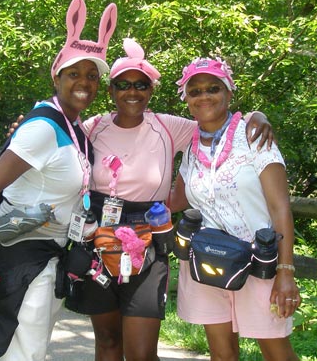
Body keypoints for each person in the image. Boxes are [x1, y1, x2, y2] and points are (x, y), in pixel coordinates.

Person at [63, 39, 275, 361]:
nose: (132, 91)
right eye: (123, 84)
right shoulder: (94, 128)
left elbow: (218, 121)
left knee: (141, 352)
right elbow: (54, 139)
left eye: (141, 84)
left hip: (148, 241)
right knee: (107, 340)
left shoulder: (168, 126)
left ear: (150, 90)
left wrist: (257, 116)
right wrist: (21, 127)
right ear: (111, 91)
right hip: (98, 237)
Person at [0, 0, 117, 361]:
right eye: (74, 73)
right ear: (56, 76)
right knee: (21, 350)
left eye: (92, 75)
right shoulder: (43, 127)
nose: (84, 82)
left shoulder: (75, 130)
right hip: (18, 257)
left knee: (23, 346)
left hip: (48, 255)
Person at [171, 57, 300, 361]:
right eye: (195, 91)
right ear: (187, 100)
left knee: (276, 351)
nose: (204, 96)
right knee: (221, 353)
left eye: (213, 88)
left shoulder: (254, 136)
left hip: (260, 262)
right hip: (205, 262)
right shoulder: (191, 146)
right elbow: (176, 200)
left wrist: (285, 271)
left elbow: (280, 208)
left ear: (229, 93)